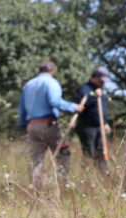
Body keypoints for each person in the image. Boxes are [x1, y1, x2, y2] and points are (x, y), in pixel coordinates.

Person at [18, 60, 85, 190]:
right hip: (47, 124)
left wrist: (23, 126)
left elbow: (22, 109)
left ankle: (35, 187)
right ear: (53, 71)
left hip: (31, 126)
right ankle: (63, 183)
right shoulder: (51, 83)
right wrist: (74, 107)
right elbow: (55, 102)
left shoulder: (28, 85)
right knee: (63, 151)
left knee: (36, 158)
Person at [75, 66, 111, 172]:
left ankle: (103, 177)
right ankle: (87, 176)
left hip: (100, 127)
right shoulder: (84, 88)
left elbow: (103, 108)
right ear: (95, 77)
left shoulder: (102, 90)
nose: (102, 83)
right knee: (89, 153)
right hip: (87, 127)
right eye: (101, 80)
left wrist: (105, 123)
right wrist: (93, 96)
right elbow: (80, 105)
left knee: (101, 152)